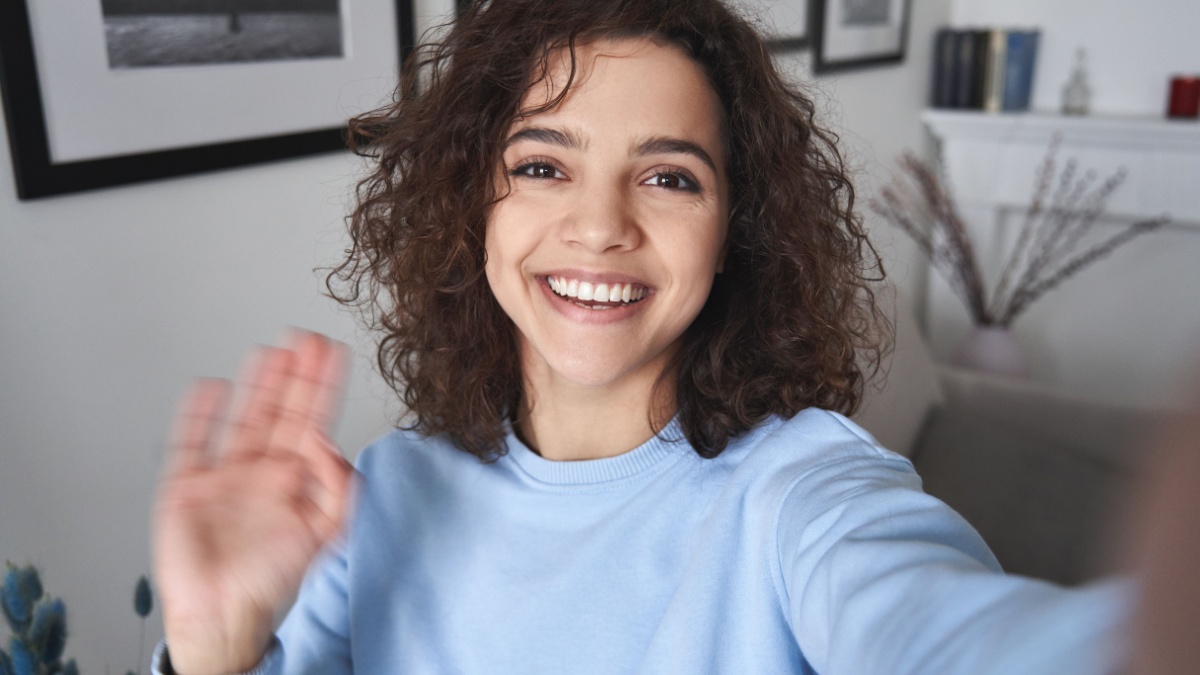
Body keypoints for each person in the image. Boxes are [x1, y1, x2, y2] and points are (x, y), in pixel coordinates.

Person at [150, 1, 1133, 673]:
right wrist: (215, 647)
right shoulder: (380, 497)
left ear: (732, 233)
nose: (600, 225)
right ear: (472, 205)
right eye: (543, 165)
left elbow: (943, 627)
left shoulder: (802, 492)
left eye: (669, 177)